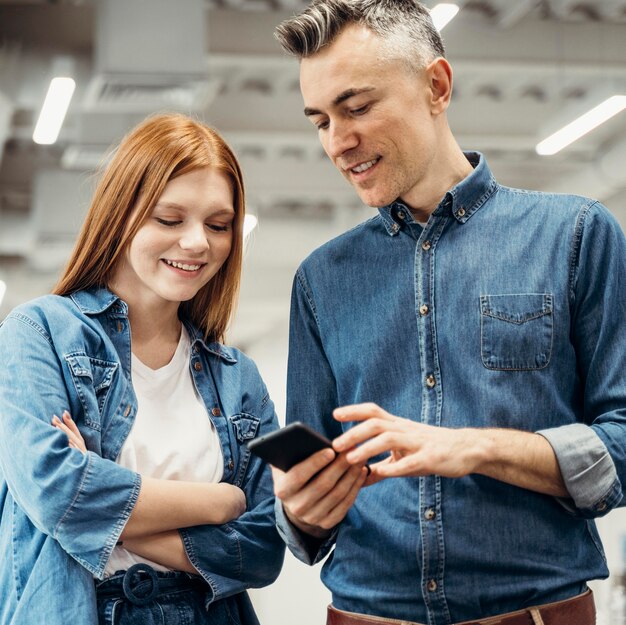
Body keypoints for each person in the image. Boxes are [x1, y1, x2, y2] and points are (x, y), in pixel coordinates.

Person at [270, 2, 626, 624]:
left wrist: (475, 447)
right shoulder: (321, 280)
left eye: (356, 108)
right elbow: (305, 513)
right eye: (320, 120)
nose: (337, 141)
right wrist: (299, 510)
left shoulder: (574, 236)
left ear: (437, 86)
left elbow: (621, 442)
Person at [0, 113, 285, 625]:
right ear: (121, 215)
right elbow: (56, 491)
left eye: (218, 225)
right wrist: (220, 503)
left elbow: (264, 548)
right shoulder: (38, 332)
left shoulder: (239, 378)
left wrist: (101, 500)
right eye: (169, 219)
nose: (198, 242)